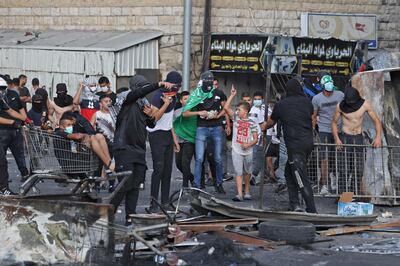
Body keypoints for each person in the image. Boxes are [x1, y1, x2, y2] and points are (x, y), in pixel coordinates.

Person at [111, 75, 175, 225]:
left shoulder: (142, 103)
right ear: (136, 87)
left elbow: (151, 125)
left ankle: (130, 218)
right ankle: (107, 212)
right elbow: (137, 93)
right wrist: (158, 84)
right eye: (142, 87)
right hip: (124, 146)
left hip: (138, 149)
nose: (144, 92)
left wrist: (150, 116)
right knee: (124, 184)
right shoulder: (125, 98)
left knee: (135, 185)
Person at [264, 79, 317, 213]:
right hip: (308, 142)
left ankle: (311, 209)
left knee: (300, 176)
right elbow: (312, 119)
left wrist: (262, 126)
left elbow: (270, 122)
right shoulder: (307, 102)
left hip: (295, 145)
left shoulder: (281, 105)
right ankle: (294, 204)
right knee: (289, 172)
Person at [331, 85, 382, 193]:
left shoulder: (364, 105)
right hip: (345, 137)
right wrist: (336, 138)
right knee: (344, 169)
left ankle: (354, 193)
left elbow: (377, 121)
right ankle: (342, 194)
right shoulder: (340, 106)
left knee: (359, 169)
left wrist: (378, 137)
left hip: (358, 138)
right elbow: (334, 123)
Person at [182, 71, 227, 194]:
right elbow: (185, 113)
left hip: (216, 127)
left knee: (217, 158)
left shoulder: (218, 93)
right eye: (206, 80)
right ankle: (197, 186)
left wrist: (218, 116)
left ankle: (218, 183)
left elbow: (225, 108)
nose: (208, 83)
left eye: (210, 80)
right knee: (199, 158)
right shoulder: (196, 94)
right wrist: (199, 113)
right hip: (201, 127)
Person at [146, 71, 182, 213]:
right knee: (158, 170)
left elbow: (170, 121)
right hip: (156, 135)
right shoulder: (158, 95)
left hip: (167, 133)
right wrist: (165, 104)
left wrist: (175, 140)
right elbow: (155, 117)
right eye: (176, 85)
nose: (177, 88)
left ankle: (165, 202)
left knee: (167, 171)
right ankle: (153, 203)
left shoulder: (174, 96)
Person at [224, 85, 258, 201]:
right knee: (238, 172)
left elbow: (255, 138)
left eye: (239, 110)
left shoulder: (252, 122)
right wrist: (232, 95)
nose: (237, 111)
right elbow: (226, 108)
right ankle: (239, 194)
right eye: (237, 110)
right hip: (237, 150)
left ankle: (247, 191)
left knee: (247, 172)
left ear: (246, 111)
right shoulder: (236, 119)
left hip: (248, 151)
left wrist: (249, 144)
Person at [312, 74, 344, 195]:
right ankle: (324, 185)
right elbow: (314, 116)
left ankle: (334, 181)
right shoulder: (316, 99)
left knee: (337, 157)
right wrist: (313, 132)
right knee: (324, 159)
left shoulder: (340, 95)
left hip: (339, 130)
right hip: (324, 130)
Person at [0, 76, 28, 195]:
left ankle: (3, 188)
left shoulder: (2, 99)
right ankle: (3, 188)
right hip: (3, 132)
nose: (1, 90)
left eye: (2, 88)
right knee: (1, 162)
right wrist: (11, 122)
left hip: (12, 131)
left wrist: (24, 118)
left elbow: (10, 111)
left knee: (2, 162)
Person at [173, 91, 195, 188]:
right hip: (179, 141)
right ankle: (191, 178)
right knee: (178, 164)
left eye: (189, 99)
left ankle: (185, 185)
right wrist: (175, 141)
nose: (188, 100)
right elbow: (172, 127)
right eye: (185, 99)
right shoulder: (177, 112)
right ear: (181, 101)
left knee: (185, 162)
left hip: (189, 140)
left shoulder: (193, 111)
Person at [248, 91, 265, 185]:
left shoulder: (263, 109)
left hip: (258, 137)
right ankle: (253, 176)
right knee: (255, 158)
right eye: (256, 99)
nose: (257, 101)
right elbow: (262, 125)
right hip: (253, 137)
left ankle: (254, 176)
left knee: (258, 158)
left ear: (262, 100)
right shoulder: (252, 110)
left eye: (259, 99)